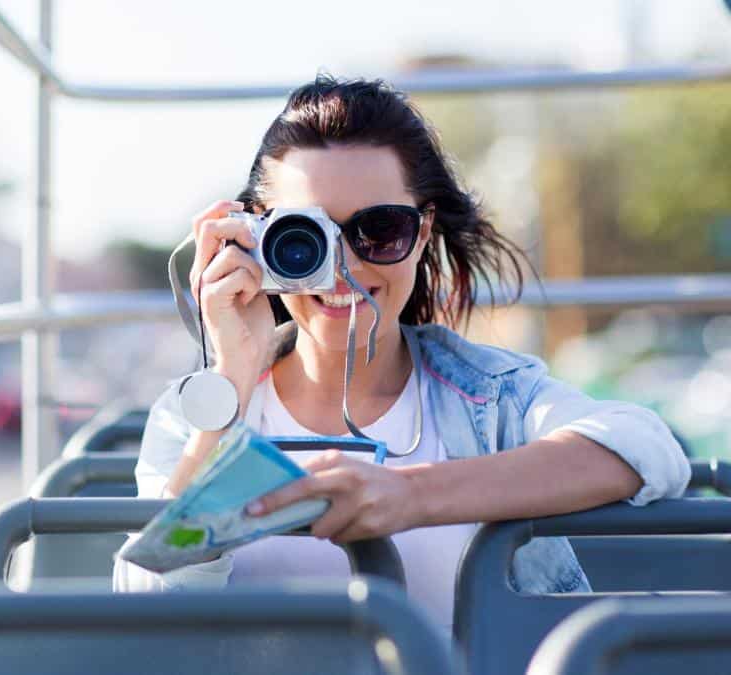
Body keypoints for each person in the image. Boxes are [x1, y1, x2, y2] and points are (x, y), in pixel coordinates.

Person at [113, 75, 691, 632]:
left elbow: (645, 445)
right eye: (307, 235)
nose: (346, 268)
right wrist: (233, 378)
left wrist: (410, 494)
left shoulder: (491, 398)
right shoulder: (196, 413)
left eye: (381, 230)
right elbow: (148, 615)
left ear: (423, 232)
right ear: (255, 240)